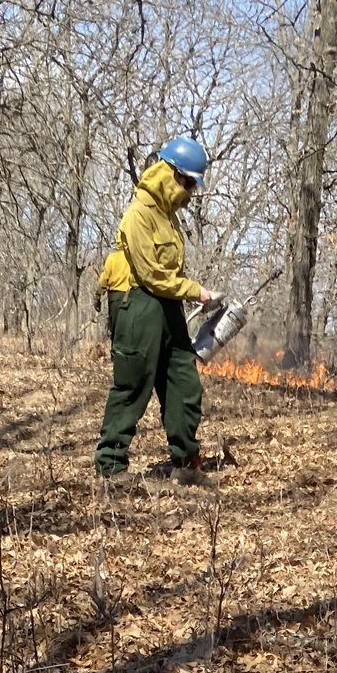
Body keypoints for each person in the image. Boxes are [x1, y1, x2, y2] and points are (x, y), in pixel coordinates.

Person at [94, 137, 217, 484]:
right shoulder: (139, 214)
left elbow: (168, 276)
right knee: (133, 385)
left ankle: (185, 463)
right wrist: (197, 291)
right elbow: (151, 275)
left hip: (166, 303)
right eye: (189, 182)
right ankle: (110, 469)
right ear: (171, 174)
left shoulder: (169, 218)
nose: (191, 192)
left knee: (183, 379)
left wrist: (190, 292)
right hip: (136, 301)